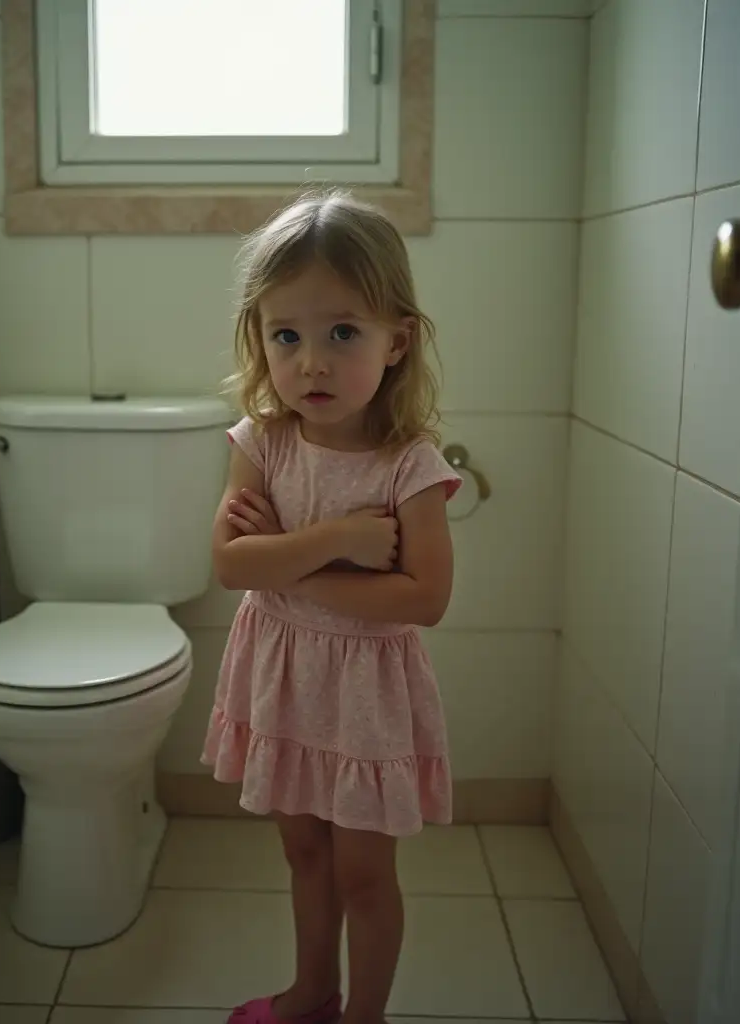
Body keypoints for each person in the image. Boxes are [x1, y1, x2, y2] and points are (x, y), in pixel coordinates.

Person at [202, 188, 461, 1024]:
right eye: (288, 335)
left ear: (397, 341)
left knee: (362, 872)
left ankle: (364, 1018)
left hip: (364, 696)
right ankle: (312, 992)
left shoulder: (410, 464)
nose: (311, 361)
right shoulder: (261, 441)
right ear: (262, 340)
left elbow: (424, 598)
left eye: (342, 332)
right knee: (303, 851)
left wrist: (290, 558)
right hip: (283, 674)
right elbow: (229, 563)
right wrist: (339, 540)